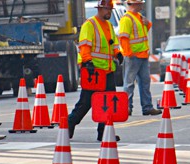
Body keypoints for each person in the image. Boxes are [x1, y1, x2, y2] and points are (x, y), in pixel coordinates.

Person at [68, 0, 122, 141]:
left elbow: (113, 44)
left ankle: (103, 133)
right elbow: (84, 45)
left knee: (108, 102)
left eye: (110, 9)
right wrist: (87, 61)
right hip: (94, 71)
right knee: (86, 102)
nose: (109, 12)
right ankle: (70, 123)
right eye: (106, 9)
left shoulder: (109, 25)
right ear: (99, 9)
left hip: (108, 70)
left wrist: (118, 53)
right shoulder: (90, 24)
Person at [119, 0, 162, 116]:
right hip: (133, 56)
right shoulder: (126, 19)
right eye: (140, 3)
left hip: (142, 55)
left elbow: (142, 32)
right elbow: (123, 38)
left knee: (145, 82)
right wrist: (128, 53)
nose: (142, 5)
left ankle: (147, 107)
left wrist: (147, 24)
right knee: (129, 83)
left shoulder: (139, 17)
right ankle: (127, 107)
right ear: (134, 4)